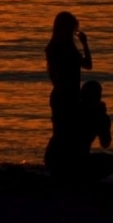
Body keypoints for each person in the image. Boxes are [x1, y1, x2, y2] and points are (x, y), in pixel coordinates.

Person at [45, 79, 113, 182]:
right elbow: (105, 143)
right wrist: (103, 119)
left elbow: (105, 143)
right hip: (64, 161)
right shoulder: (81, 112)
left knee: (110, 161)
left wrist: (103, 121)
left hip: (54, 159)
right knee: (111, 162)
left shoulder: (74, 109)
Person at [44, 11, 92, 139]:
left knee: (69, 135)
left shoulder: (71, 49)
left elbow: (88, 65)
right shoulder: (55, 49)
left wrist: (85, 44)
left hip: (72, 96)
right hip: (63, 97)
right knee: (62, 134)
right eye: (70, 28)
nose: (71, 32)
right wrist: (65, 99)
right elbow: (57, 77)